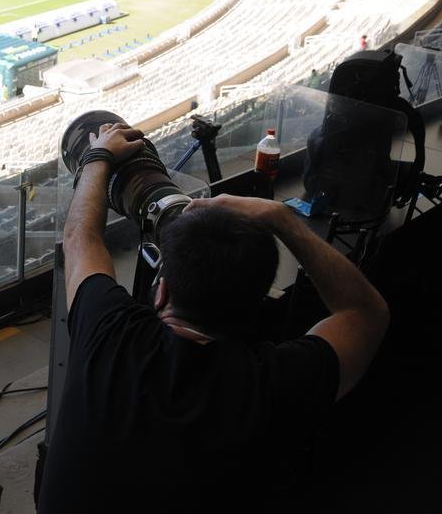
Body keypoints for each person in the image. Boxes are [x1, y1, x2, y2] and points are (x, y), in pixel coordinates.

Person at [37, 122, 389, 513]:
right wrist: (282, 219)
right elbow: (367, 313)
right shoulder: (276, 386)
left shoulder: (110, 334)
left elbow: (80, 238)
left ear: (161, 291)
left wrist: (99, 154)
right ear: (257, 307)